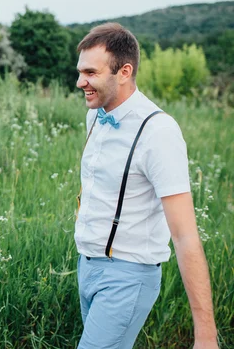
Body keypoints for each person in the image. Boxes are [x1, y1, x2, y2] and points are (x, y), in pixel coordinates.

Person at [74, 23, 218, 348]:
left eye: (91, 72)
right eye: (81, 71)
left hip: (127, 276)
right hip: (87, 266)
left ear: (124, 71)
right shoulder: (95, 115)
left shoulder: (158, 133)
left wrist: (206, 336)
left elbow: (185, 236)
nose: (80, 82)